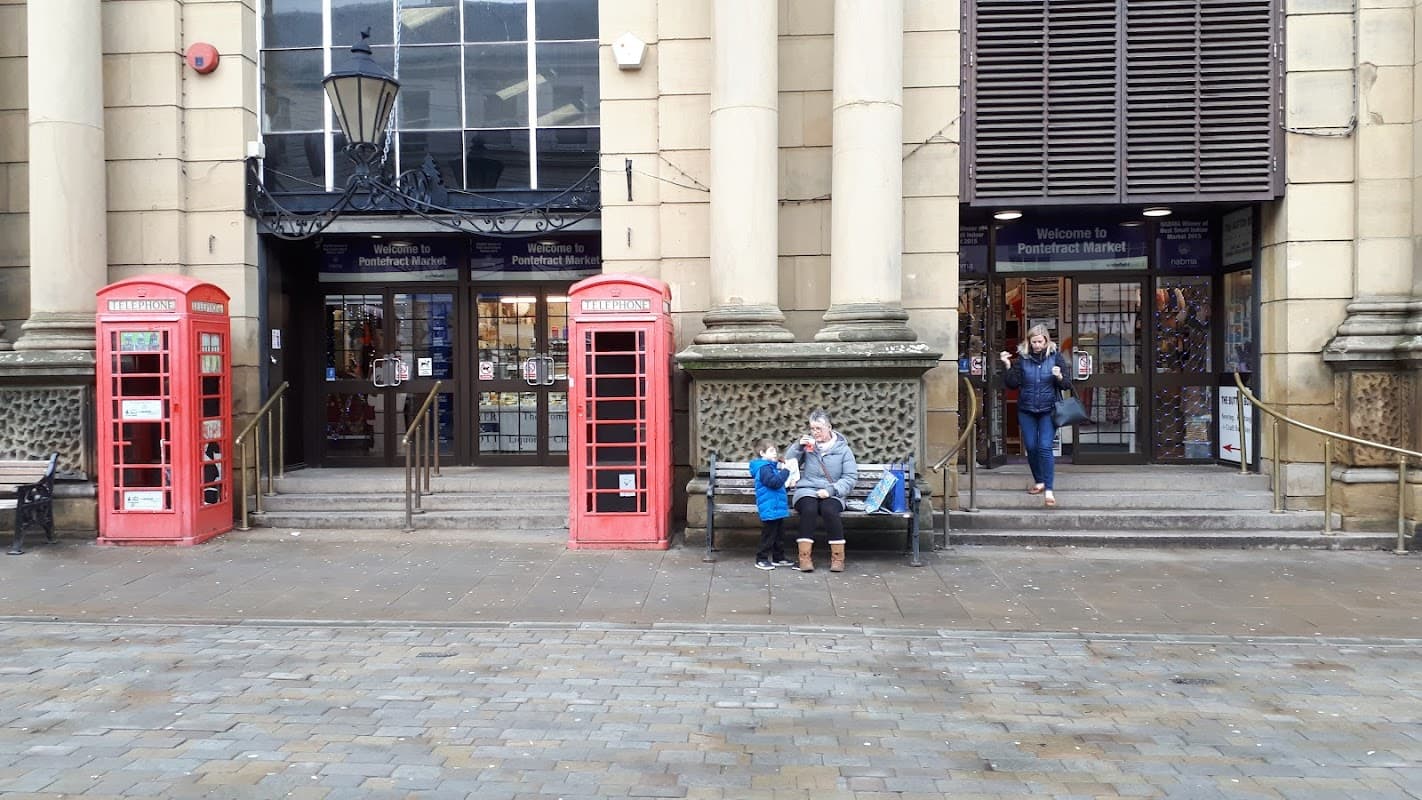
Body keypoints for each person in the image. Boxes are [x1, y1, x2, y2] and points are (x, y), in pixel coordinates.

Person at [1000, 324, 1072, 508]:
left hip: (1049, 409)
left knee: (1045, 447)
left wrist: (1059, 377)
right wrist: (1008, 365)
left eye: (1040, 341)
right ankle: (1039, 480)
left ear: (1047, 341)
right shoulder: (1023, 359)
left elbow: (1067, 385)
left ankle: (1049, 490)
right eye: (1034, 342)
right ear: (1029, 342)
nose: (1037, 345)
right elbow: (1012, 384)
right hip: (1026, 409)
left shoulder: (1056, 357)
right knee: (1031, 447)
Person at [784, 410, 858, 573]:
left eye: (819, 428)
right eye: (812, 428)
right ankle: (804, 557)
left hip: (833, 491)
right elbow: (789, 463)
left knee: (829, 510)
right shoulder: (808, 446)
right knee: (809, 509)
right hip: (807, 489)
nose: (815, 432)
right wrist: (797, 446)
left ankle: (838, 558)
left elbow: (850, 477)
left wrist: (831, 490)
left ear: (829, 427)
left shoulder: (843, 450)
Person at [748, 439, 796, 571]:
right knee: (769, 534)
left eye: (775, 450)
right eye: (771, 450)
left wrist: (788, 487)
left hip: (777, 506)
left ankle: (778, 557)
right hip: (769, 507)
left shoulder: (771, 468)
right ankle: (761, 558)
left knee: (779, 534)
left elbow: (777, 487)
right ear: (762, 453)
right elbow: (774, 483)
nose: (775, 453)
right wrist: (786, 471)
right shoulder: (764, 468)